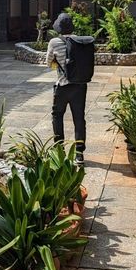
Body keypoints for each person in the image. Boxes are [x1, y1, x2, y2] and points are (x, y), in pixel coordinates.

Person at [46, 12, 87, 165]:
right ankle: (79, 154)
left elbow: (49, 63)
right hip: (80, 86)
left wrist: (60, 63)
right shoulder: (80, 41)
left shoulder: (54, 42)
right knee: (79, 118)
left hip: (63, 85)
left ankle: (60, 150)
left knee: (57, 116)